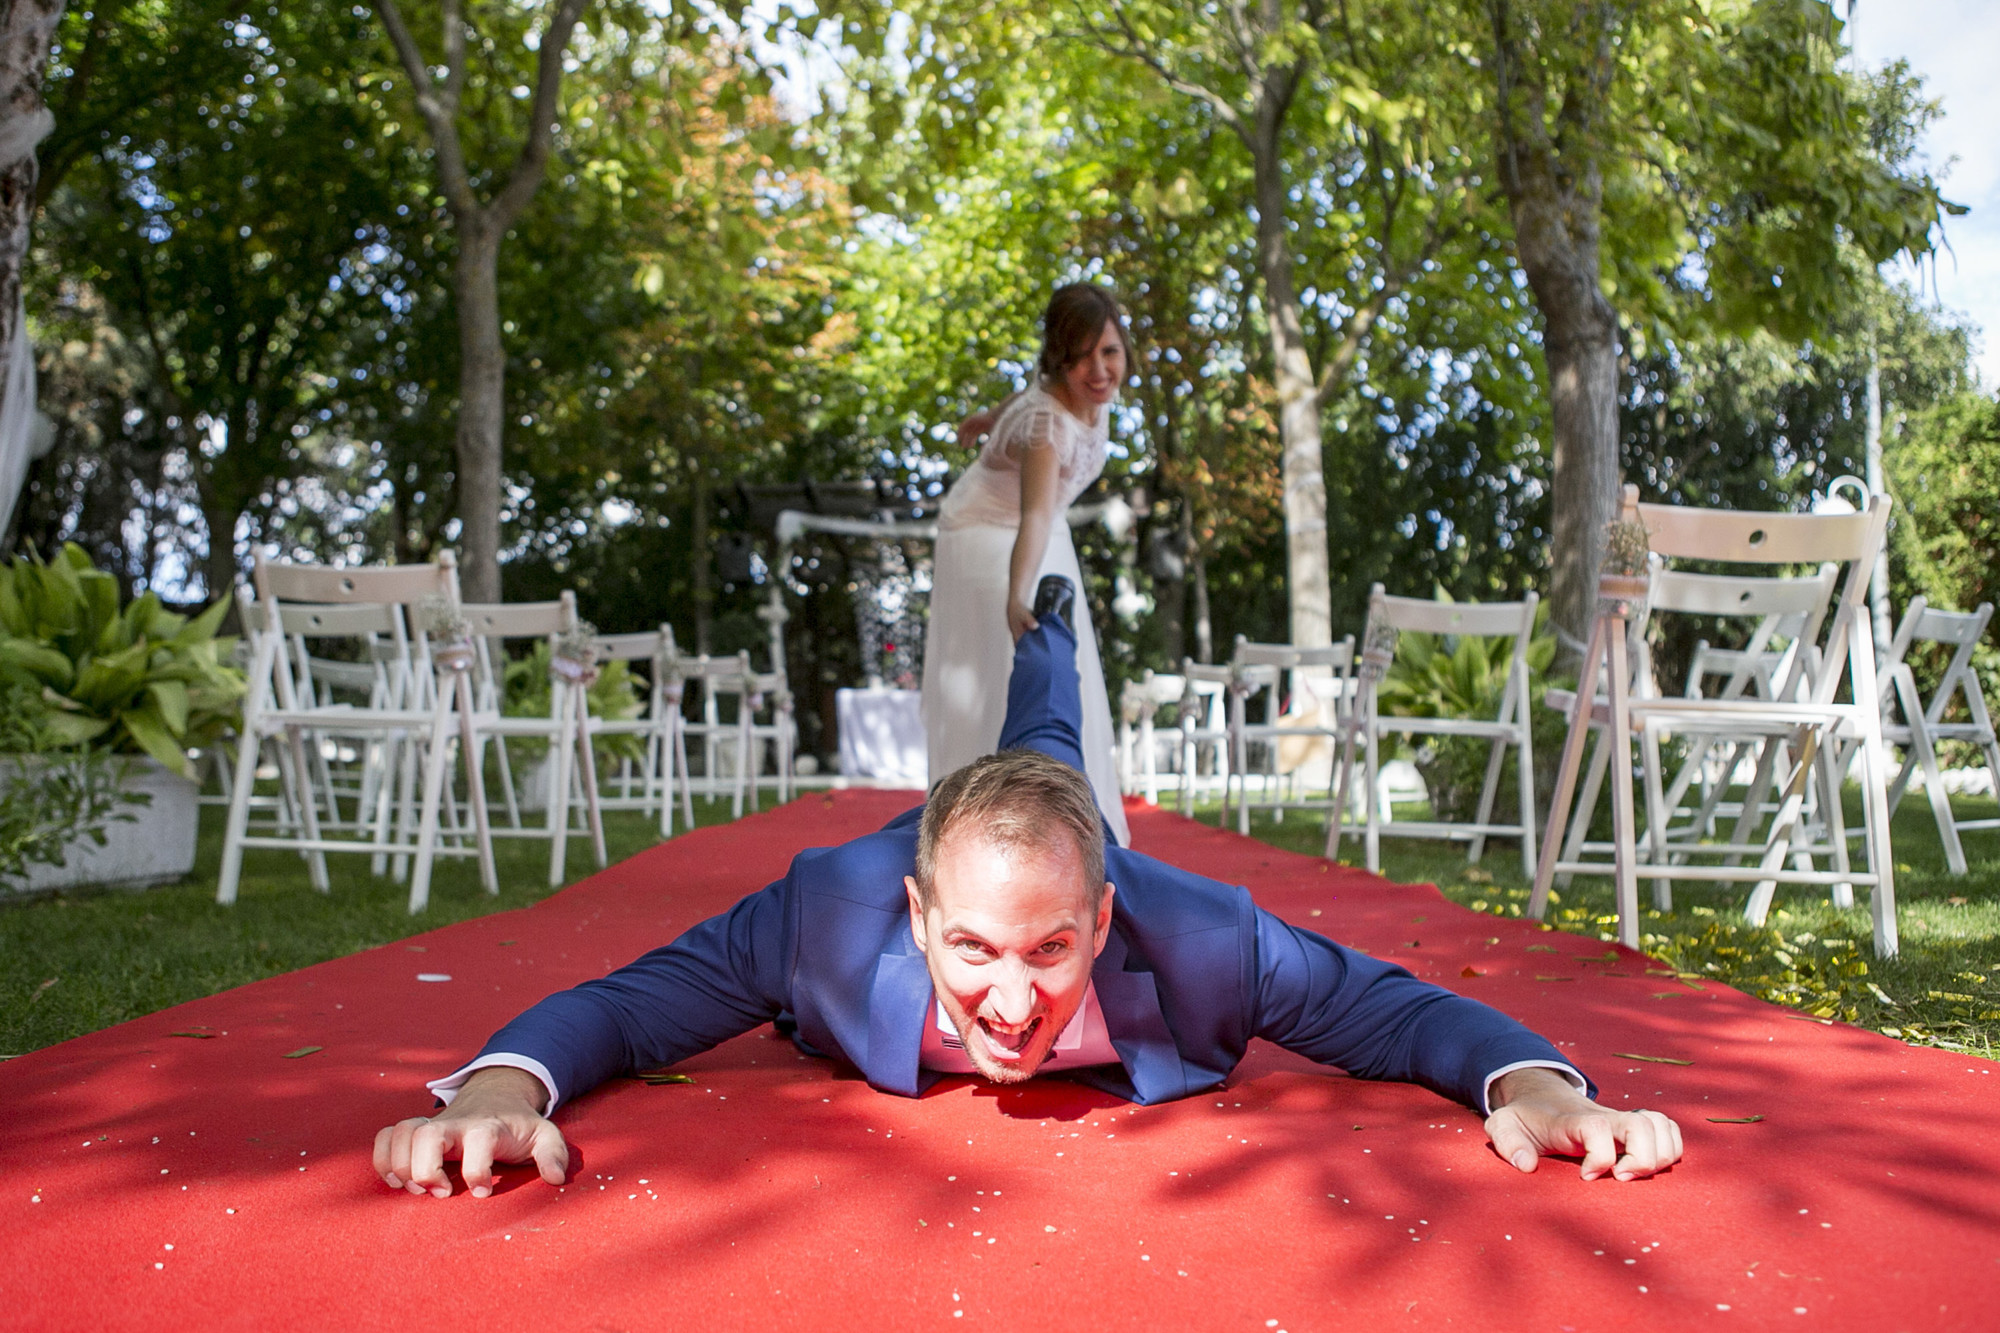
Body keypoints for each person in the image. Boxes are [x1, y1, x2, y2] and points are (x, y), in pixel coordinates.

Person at [373, 578, 1684, 1200]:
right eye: (975, 953)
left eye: (1053, 952)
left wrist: (1547, 1086)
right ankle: (1035, 668)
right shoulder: (821, 915)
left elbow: (1403, 1015)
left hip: (1060, 815)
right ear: (918, 919)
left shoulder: (1204, 938)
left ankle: (1049, 635)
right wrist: (490, 1092)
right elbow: (624, 1008)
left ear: (1106, 919)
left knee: (1047, 737)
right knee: (1017, 755)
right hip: (950, 836)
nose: (1012, 1003)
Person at [923, 282, 1132, 847]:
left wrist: (989, 416)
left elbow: (1027, 394)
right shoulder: (1046, 427)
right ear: (1059, 360)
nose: (1098, 369)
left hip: (1042, 524)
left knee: (1072, 664)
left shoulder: (1084, 400)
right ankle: (969, 832)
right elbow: (1033, 516)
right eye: (1081, 356)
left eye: (1108, 351)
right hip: (985, 531)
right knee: (993, 674)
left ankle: (1077, 825)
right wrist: (1016, 597)